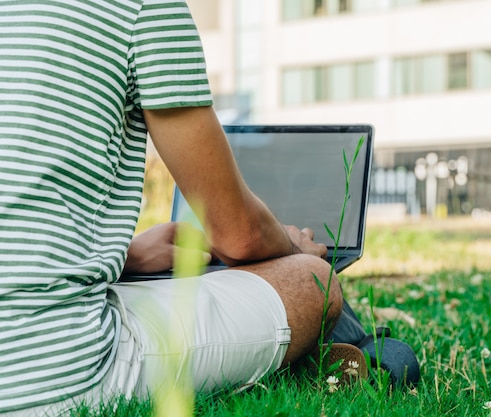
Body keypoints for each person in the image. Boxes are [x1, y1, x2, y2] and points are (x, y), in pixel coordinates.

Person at [0, 1, 348, 415]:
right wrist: (292, 247)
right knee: (311, 281)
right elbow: (241, 236)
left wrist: (123, 256)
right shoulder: (142, 8)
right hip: (49, 373)